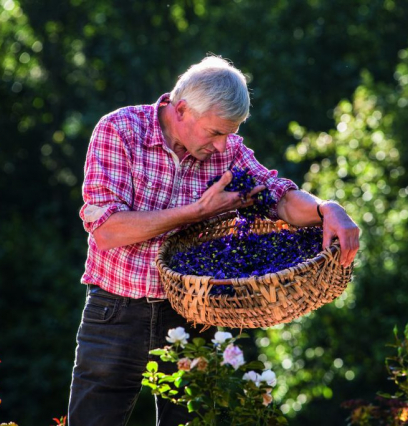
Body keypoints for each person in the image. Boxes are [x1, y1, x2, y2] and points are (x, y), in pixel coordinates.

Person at [68, 55, 360, 426]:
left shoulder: (230, 152)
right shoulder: (119, 131)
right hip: (116, 310)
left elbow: (280, 197)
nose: (223, 147)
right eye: (215, 133)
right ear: (182, 110)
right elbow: (108, 230)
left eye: (230, 134)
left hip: (195, 314)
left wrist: (326, 209)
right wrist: (195, 212)